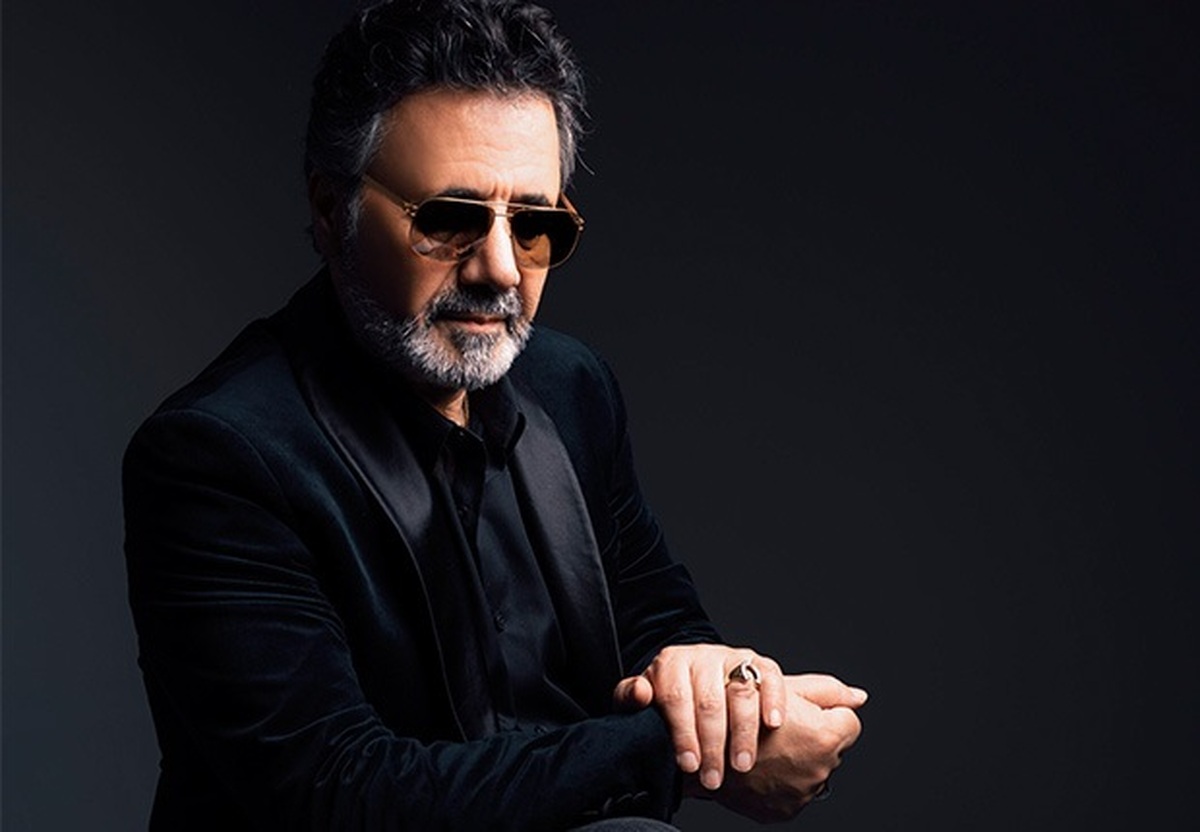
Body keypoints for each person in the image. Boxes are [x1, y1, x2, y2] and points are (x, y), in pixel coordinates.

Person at [122, 1, 867, 829]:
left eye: (536, 225)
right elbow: (339, 793)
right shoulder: (216, 455)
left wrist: (734, 694)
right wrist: (669, 751)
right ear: (332, 211)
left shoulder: (571, 387)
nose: (502, 270)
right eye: (448, 220)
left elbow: (659, 625)